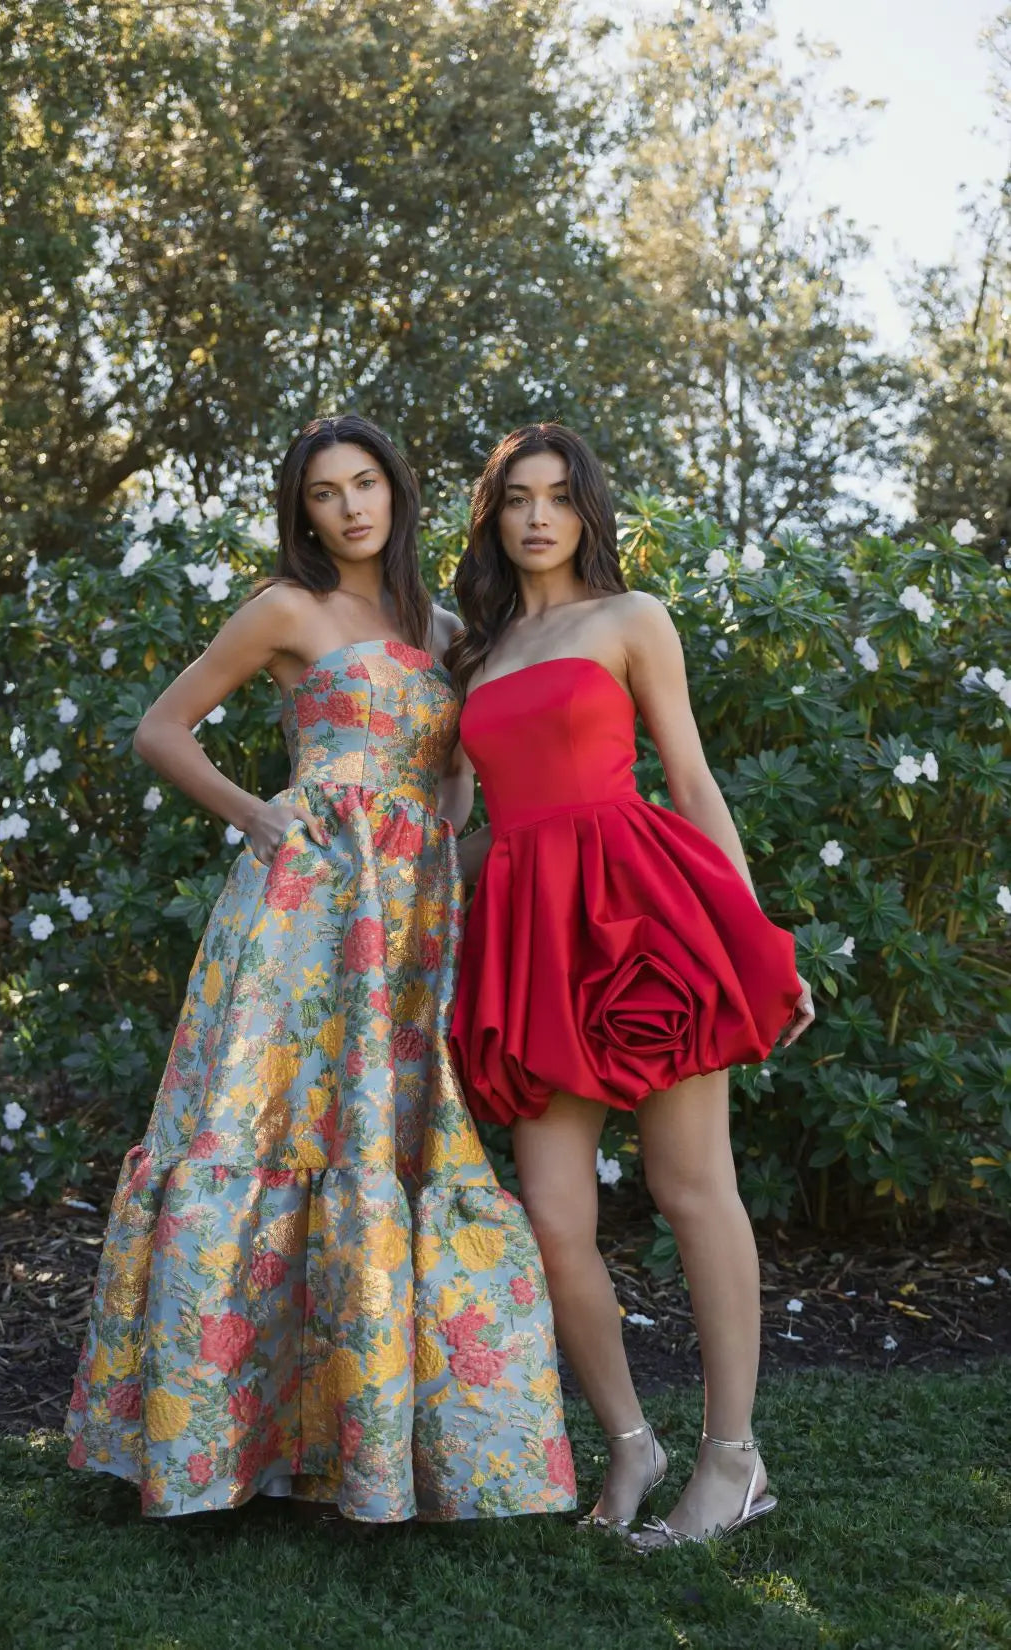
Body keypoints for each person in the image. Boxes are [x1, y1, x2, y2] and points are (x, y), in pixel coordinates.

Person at [65, 414, 575, 1525]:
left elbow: (453, 787)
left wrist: (453, 860)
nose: (349, 507)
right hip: (299, 917)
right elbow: (163, 729)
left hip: (406, 927)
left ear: (396, 493)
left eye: (365, 484)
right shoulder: (285, 609)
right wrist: (260, 820)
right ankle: (220, 1445)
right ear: (303, 512)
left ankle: (369, 1446)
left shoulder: (444, 630)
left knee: (381, 1147)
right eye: (325, 493)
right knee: (262, 1132)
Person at [446, 423, 814, 1551]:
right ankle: (629, 1441)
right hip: (529, 937)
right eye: (517, 498)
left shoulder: (630, 619)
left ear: (586, 509)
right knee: (555, 1219)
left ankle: (731, 1461)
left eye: (558, 496)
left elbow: (691, 780)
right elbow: (467, 829)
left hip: (640, 914)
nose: (538, 517)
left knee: (689, 1186)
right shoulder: (474, 654)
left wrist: (756, 941)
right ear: (495, 516)